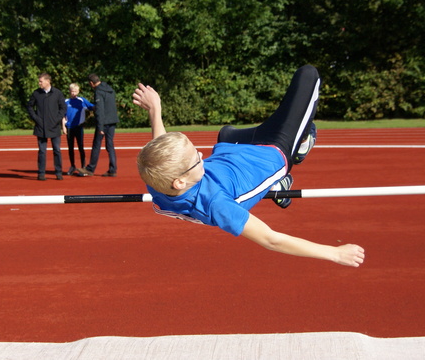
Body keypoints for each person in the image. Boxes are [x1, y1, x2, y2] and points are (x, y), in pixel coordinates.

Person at [132, 65, 365, 267]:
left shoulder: (158, 180)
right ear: (180, 181)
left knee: (226, 132)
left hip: (233, 148)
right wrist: (334, 253)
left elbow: (158, 147)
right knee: (308, 76)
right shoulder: (217, 205)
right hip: (273, 151)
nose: (202, 156)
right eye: (196, 159)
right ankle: (297, 153)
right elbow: (270, 240)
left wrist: (155, 109)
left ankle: (276, 187)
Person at [27, 73, 67, 181]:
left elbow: (63, 108)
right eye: (39, 81)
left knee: (57, 150)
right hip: (41, 127)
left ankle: (58, 172)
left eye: (41, 81)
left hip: (54, 126)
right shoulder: (36, 93)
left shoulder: (57, 93)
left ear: (48, 81)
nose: (39, 83)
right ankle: (41, 173)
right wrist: (36, 119)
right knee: (42, 151)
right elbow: (30, 107)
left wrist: (56, 120)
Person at [78, 74, 119, 177]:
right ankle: (113, 169)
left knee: (96, 145)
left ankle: (90, 168)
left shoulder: (98, 91)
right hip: (112, 120)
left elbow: (100, 110)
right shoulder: (110, 89)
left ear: (91, 83)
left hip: (104, 122)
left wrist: (100, 126)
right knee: (110, 145)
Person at [62, 83, 94, 176]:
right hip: (69, 127)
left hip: (78, 127)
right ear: (69, 91)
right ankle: (72, 165)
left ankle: (83, 166)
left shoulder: (82, 101)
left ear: (78, 91)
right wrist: (63, 127)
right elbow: (63, 115)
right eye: (72, 91)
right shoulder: (66, 102)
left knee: (80, 147)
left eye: (75, 91)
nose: (73, 93)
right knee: (70, 148)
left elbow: (92, 107)